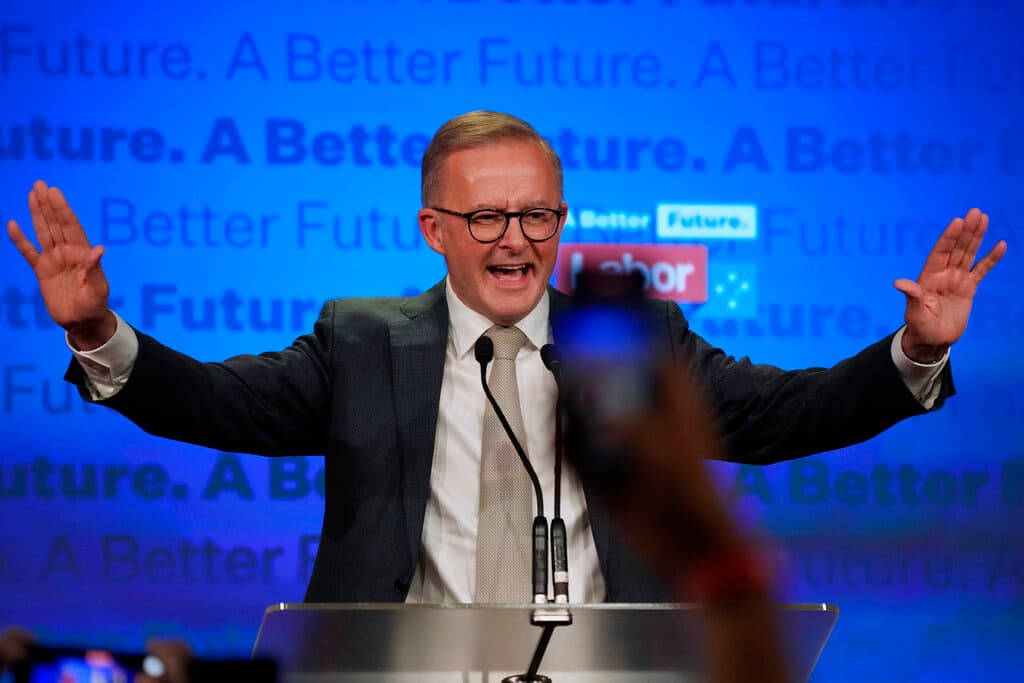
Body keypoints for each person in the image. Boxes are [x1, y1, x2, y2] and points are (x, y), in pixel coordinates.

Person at [5, 110, 1007, 606]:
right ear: (434, 228)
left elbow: (783, 415)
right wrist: (98, 330)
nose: (516, 238)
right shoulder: (362, 338)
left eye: (537, 213)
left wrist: (914, 348)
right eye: (486, 214)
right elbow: (215, 404)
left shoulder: (627, 338)